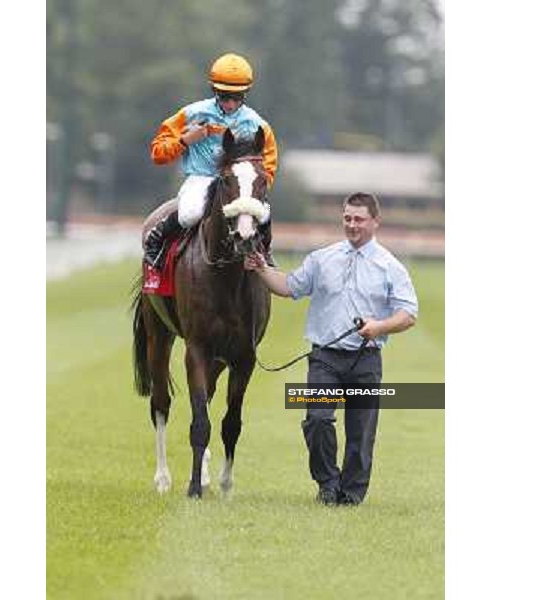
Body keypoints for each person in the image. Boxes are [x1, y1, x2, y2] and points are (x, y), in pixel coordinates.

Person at [244, 192, 418, 506]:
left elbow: (408, 314)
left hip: (366, 359)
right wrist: (260, 269)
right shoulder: (321, 259)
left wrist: (378, 327)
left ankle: (351, 494)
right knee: (318, 419)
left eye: (359, 219)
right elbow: (289, 286)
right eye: (347, 218)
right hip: (325, 358)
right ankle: (327, 483)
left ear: (375, 222)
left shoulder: (390, 267)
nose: (352, 225)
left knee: (361, 433)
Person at [144, 52, 279, 268]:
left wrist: (255, 190)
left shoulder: (257, 124)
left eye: (237, 97)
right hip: (201, 177)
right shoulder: (192, 113)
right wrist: (186, 140)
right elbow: (158, 153)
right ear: (215, 91)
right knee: (191, 214)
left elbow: (268, 165)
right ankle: (157, 236)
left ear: (245, 94)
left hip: (238, 183)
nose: (231, 104)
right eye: (225, 96)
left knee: (262, 214)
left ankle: (266, 253)